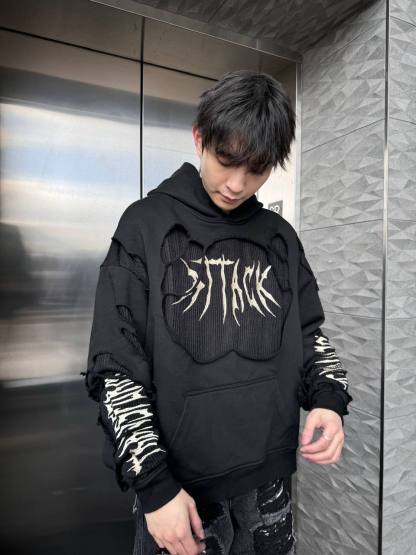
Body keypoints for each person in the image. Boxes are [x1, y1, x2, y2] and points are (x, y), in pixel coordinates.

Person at [81, 69, 353, 555]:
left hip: (268, 488)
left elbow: (309, 335)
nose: (236, 184)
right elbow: (116, 367)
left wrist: (329, 399)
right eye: (226, 160)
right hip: (178, 494)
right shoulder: (145, 225)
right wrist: (154, 487)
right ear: (199, 137)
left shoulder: (281, 238)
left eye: (257, 170)